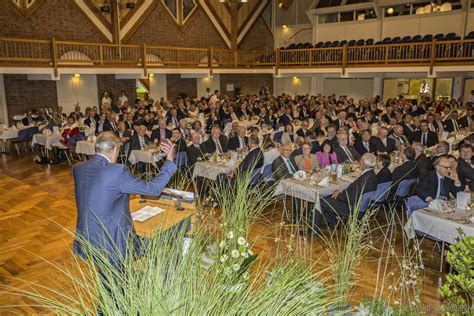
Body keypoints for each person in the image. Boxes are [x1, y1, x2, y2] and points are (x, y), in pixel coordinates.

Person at [73, 132, 176, 263]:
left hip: (87, 236)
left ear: (95, 148)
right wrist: (169, 160)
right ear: (116, 149)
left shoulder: (78, 169)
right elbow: (153, 189)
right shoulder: (117, 171)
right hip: (112, 240)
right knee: (157, 245)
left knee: (107, 275)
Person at [315, 153, 378, 230]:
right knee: (328, 196)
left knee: (321, 200)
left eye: (360, 161)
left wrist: (339, 195)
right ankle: (332, 223)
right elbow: (354, 191)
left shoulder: (365, 178)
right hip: (362, 207)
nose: (359, 162)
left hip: (352, 208)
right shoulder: (372, 175)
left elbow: (351, 197)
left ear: (363, 163)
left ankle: (314, 230)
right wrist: (341, 191)